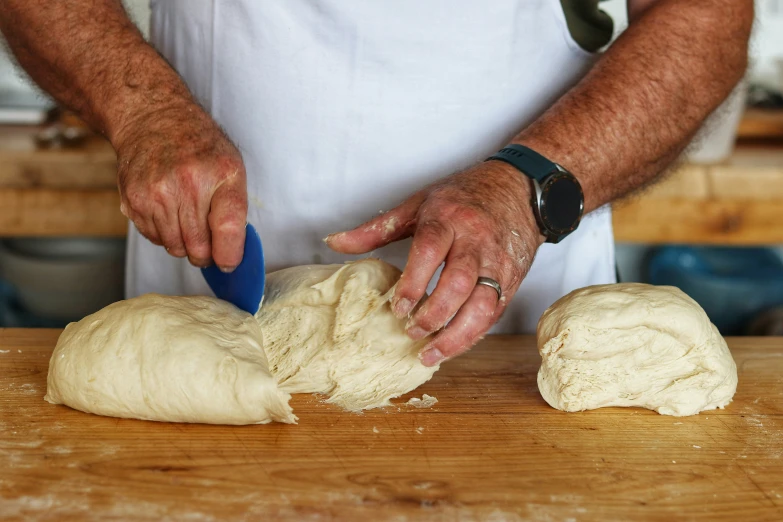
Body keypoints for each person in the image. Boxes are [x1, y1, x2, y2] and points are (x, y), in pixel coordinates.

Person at [0, 0, 752, 366]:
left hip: (511, 297)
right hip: (210, 269)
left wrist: (528, 186)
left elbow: (703, 20)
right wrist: (141, 108)